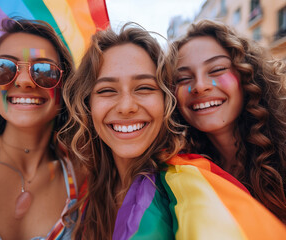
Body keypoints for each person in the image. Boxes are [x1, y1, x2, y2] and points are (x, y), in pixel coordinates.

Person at [59, 23, 185, 239]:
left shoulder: (190, 190)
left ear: (167, 99)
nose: (126, 107)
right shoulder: (86, 190)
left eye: (144, 87)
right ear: (87, 105)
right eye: (107, 90)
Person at [0, 18, 80, 239]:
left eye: (44, 70)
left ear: (65, 85)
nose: (25, 81)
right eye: (4, 67)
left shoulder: (80, 175)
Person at [169, 19, 286, 223]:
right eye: (183, 78)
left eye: (216, 70)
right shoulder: (182, 171)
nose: (200, 86)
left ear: (246, 75)